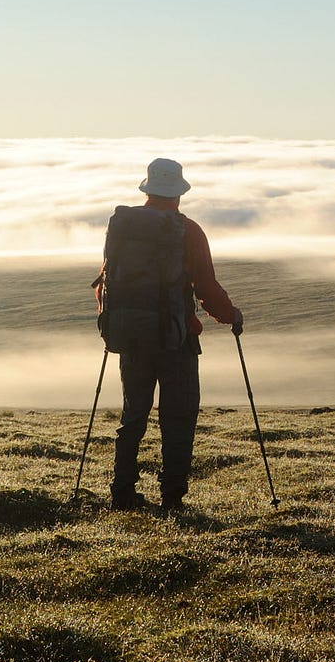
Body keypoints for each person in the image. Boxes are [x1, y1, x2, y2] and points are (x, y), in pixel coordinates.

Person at [94, 157, 242, 513]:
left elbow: (105, 281)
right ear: (178, 192)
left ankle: (122, 493)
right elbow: (205, 286)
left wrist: (118, 319)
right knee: (178, 417)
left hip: (130, 337)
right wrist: (231, 316)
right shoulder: (187, 231)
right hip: (177, 340)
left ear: (147, 189)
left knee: (133, 416)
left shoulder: (122, 228)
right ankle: (173, 498)